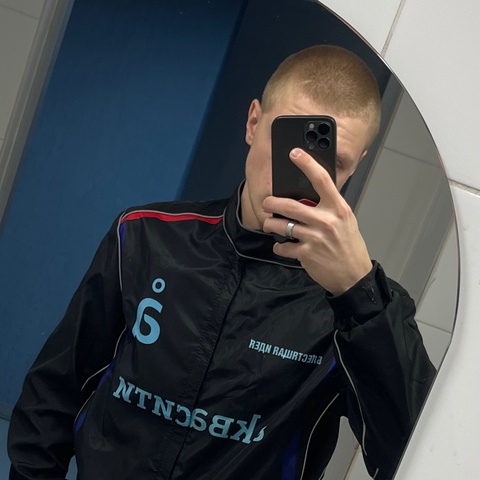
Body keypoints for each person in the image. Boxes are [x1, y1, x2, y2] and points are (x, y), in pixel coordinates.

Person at [8, 45, 435, 480]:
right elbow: (53, 395)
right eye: (289, 144)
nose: (307, 174)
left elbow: (417, 452)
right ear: (253, 123)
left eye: (332, 162)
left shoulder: (361, 310)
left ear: (354, 168)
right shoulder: (145, 237)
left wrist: (359, 294)